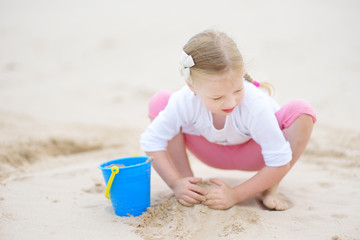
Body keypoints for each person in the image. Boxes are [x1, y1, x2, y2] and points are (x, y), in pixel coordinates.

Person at [140, 30, 316, 211]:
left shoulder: (255, 104)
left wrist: (236, 195)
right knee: (160, 101)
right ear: (192, 86)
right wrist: (175, 182)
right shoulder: (184, 100)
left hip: (257, 156)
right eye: (217, 97)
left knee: (301, 110)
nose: (231, 103)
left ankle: (269, 187)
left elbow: (280, 161)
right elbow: (151, 141)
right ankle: (188, 183)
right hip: (210, 150)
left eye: (238, 90)